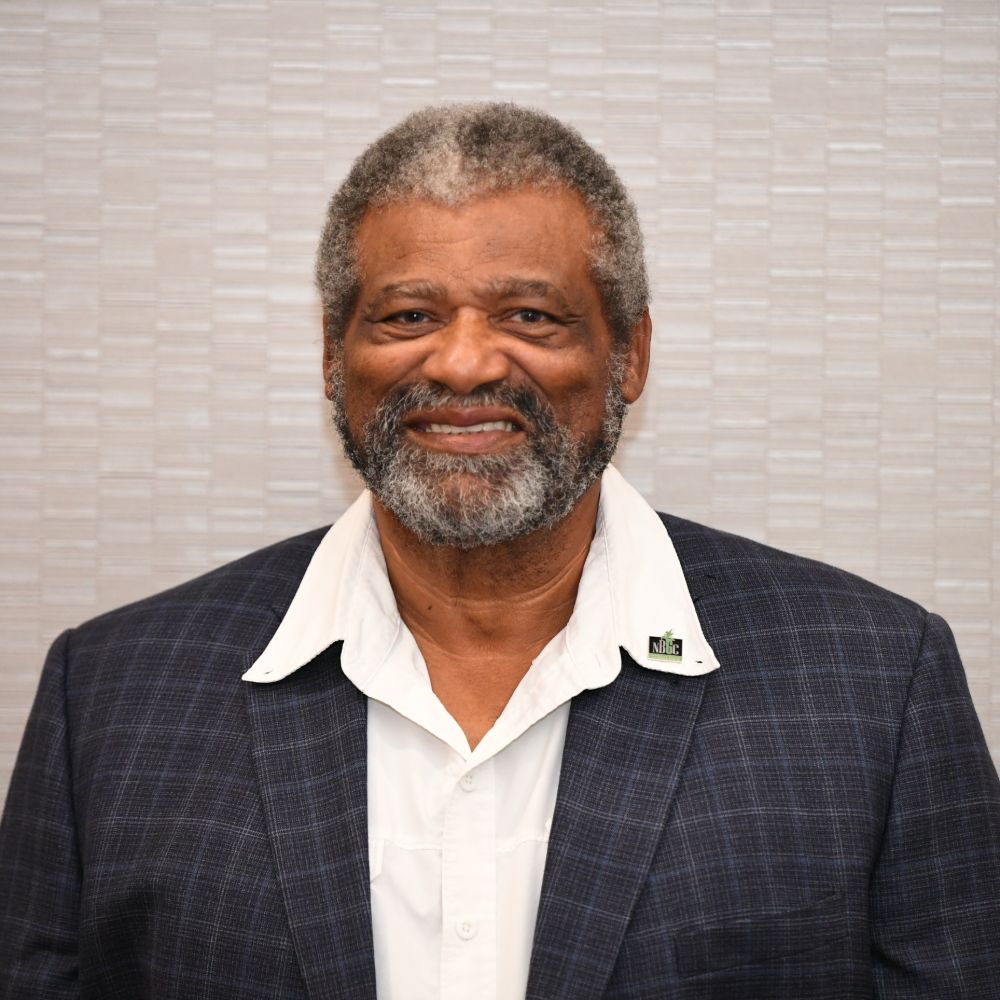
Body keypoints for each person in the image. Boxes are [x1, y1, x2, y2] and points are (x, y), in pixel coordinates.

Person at [2, 103, 998, 1000]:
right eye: (409, 316)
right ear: (331, 354)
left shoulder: (876, 685)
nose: (465, 362)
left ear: (629, 352)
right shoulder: (111, 693)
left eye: (529, 315)